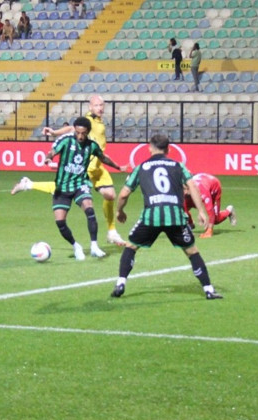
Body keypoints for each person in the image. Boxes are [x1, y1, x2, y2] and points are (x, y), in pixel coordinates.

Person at [110, 134, 222, 300]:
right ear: (168, 149)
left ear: (149, 148)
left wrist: (119, 211)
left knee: (131, 247)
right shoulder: (178, 166)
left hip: (151, 217)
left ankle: (120, 283)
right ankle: (208, 289)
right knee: (192, 252)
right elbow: (192, 187)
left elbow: (124, 194)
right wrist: (201, 211)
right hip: (175, 217)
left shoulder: (141, 167)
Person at [14, 94, 127, 246]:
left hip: (98, 166)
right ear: (90, 106)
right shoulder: (89, 120)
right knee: (67, 186)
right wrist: (54, 133)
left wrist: (118, 166)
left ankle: (112, 232)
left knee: (110, 195)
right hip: (87, 165)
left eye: (101, 105)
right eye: (96, 105)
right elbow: (71, 129)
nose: (99, 108)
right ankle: (28, 184)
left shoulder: (99, 122)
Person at [39, 116, 126, 260]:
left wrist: (118, 167)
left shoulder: (92, 145)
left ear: (88, 132)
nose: (80, 136)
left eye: (83, 133)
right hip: (62, 186)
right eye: (78, 132)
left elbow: (103, 158)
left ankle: (94, 246)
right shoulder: (66, 140)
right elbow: (53, 151)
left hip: (81, 184)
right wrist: (49, 158)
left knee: (89, 209)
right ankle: (76, 246)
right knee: (60, 222)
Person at [183, 172, 236, 238]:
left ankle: (229, 211)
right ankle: (191, 224)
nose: (183, 192)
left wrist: (209, 230)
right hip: (201, 180)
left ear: (190, 188)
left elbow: (210, 210)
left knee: (216, 220)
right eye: (182, 189)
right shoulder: (184, 191)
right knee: (182, 205)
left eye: (185, 189)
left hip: (214, 187)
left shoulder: (202, 191)